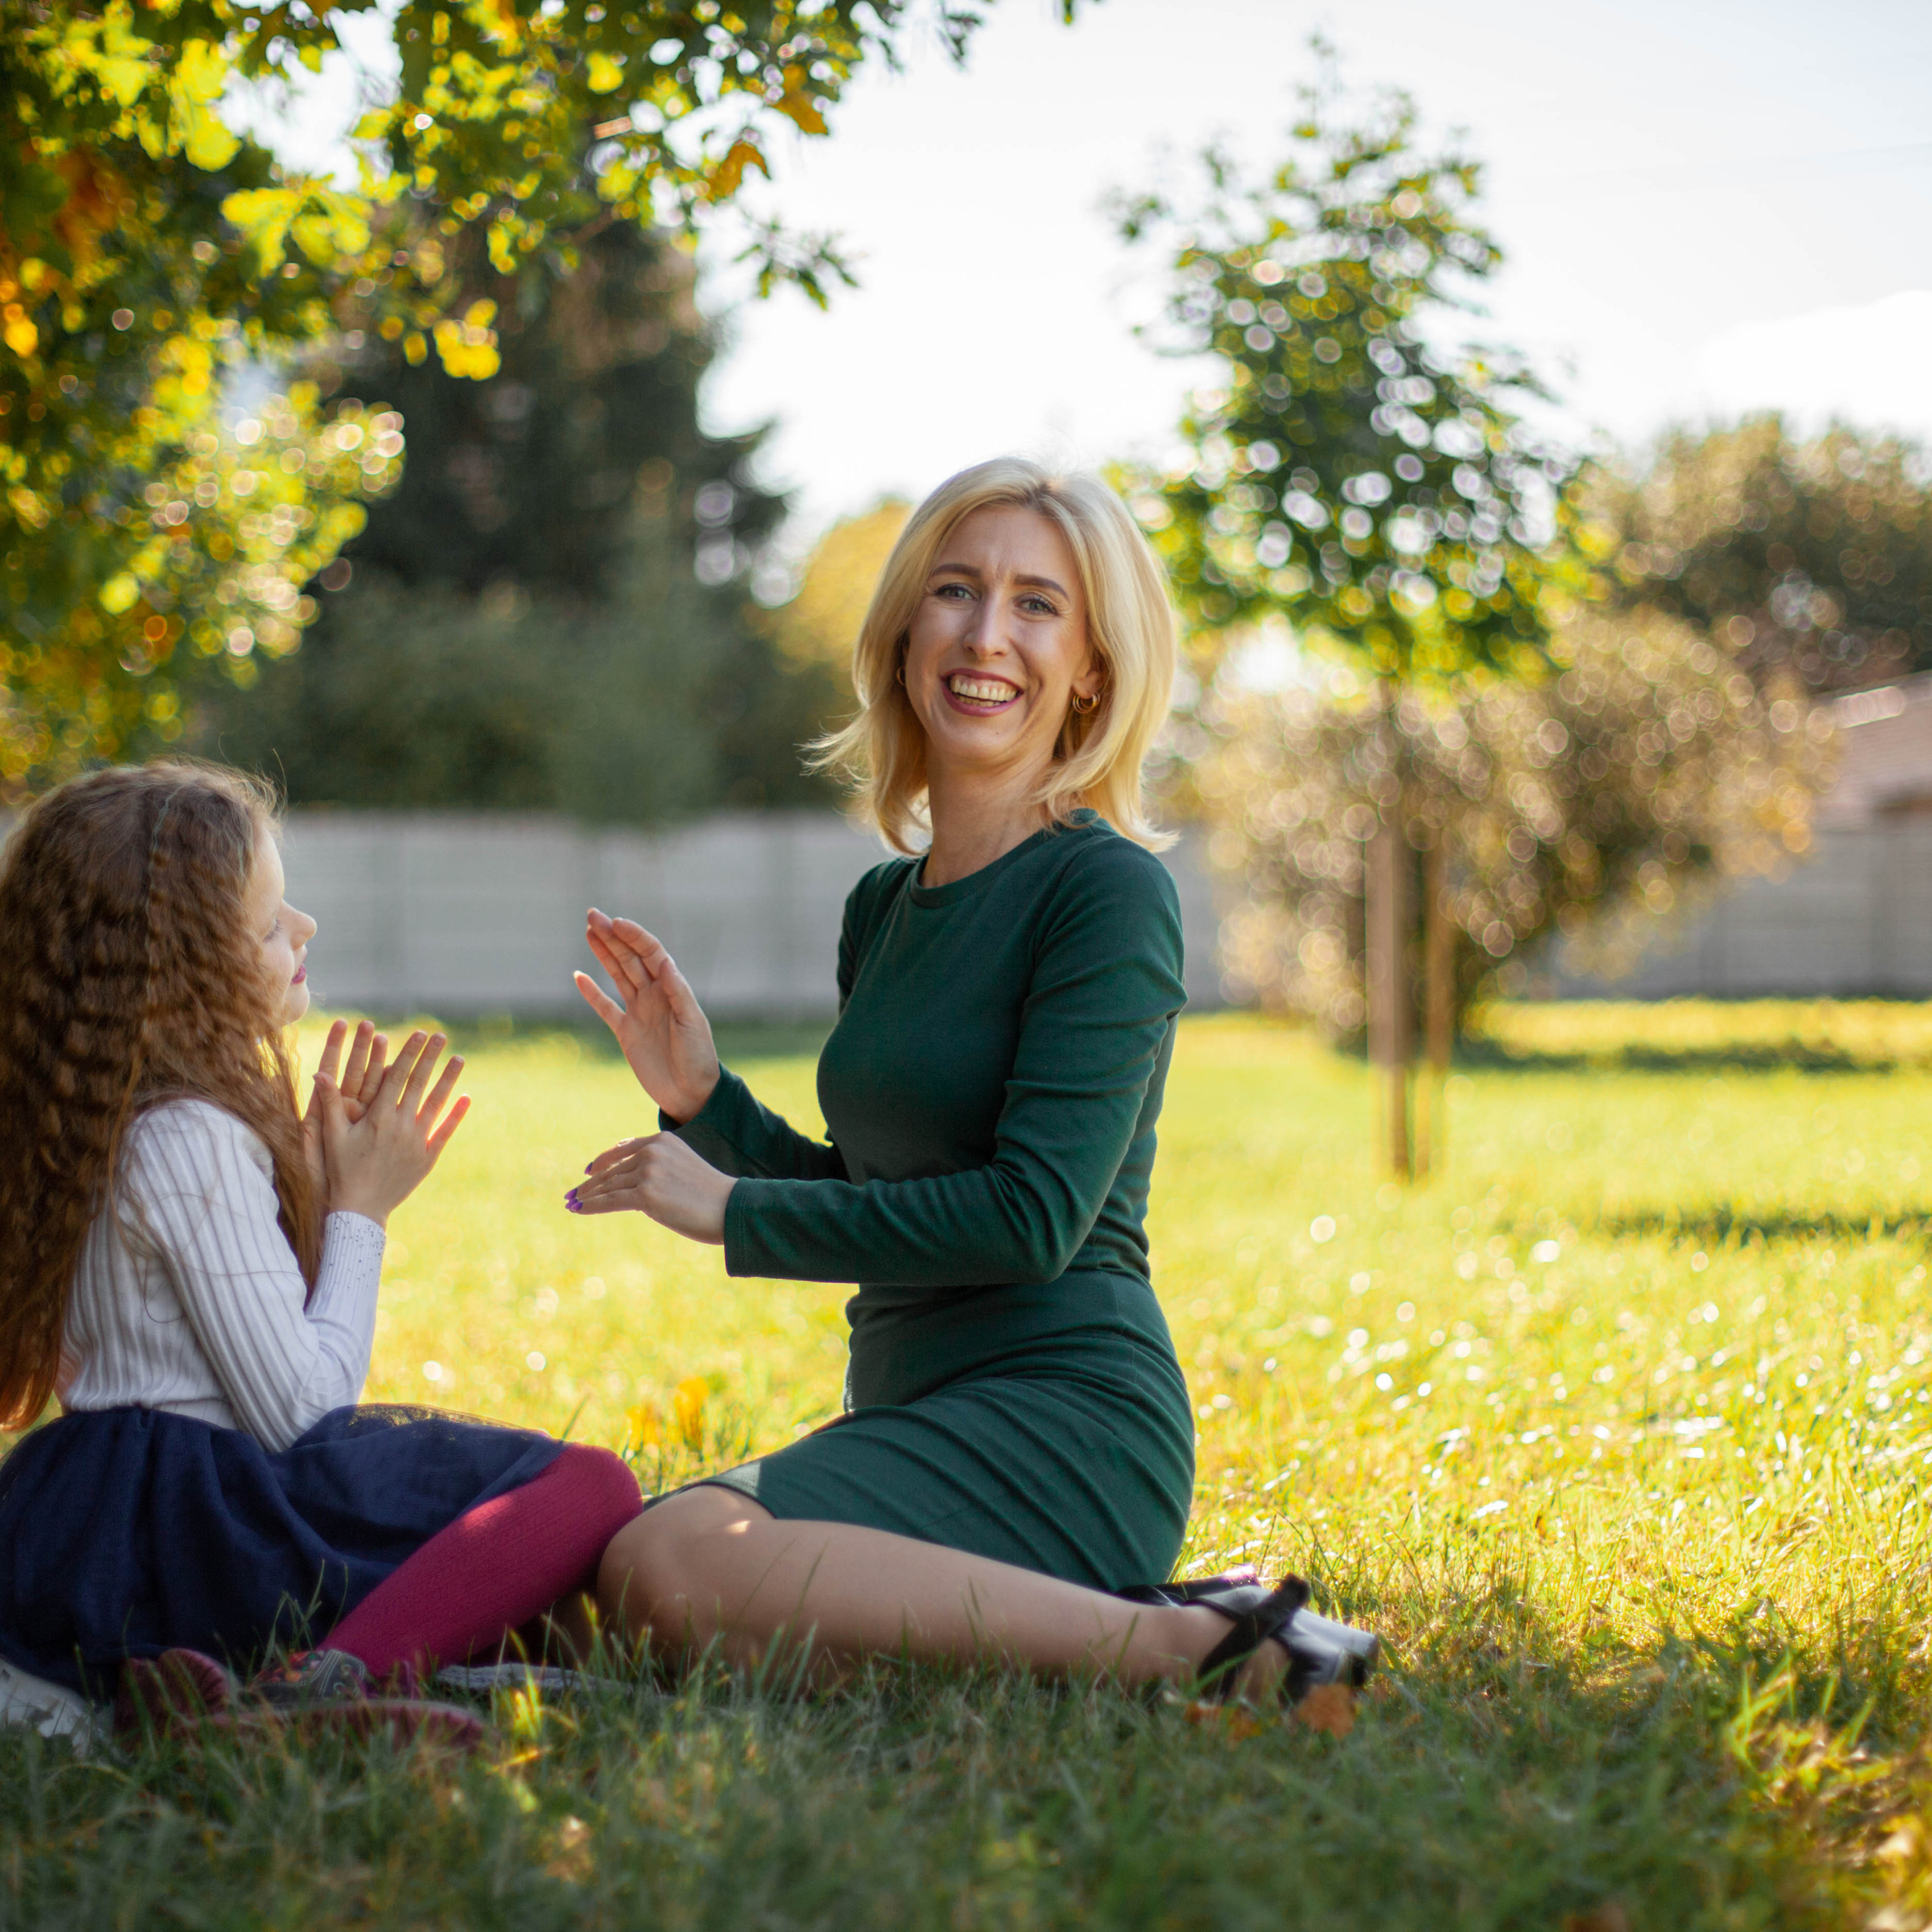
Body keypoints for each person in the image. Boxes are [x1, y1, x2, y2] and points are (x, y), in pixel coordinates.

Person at [566, 458, 1378, 1708]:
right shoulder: (885, 906)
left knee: (667, 1561)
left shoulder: (1107, 893)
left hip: (1069, 1414)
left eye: (1038, 603)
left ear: (1095, 668)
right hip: (915, 1408)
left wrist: (729, 1209)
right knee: (650, 1605)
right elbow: (889, 1198)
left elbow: (1028, 1217)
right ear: (904, 637)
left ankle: (1204, 1648)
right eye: (955, 590)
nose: (987, 633)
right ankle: (1069, 1650)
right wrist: (707, 1105)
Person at [0, 762, 643, 1740]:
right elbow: (299, 1415)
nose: (302, 929)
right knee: (588, 1486)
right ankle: (320, 1683)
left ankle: (188, 1685)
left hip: (100, 1521)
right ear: (178, 976)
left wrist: (305, 1190)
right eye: (266, 926)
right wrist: (360, 1212)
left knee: (528, 1595)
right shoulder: (188, 1139)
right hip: (203, 1520)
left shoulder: (85, 1117)